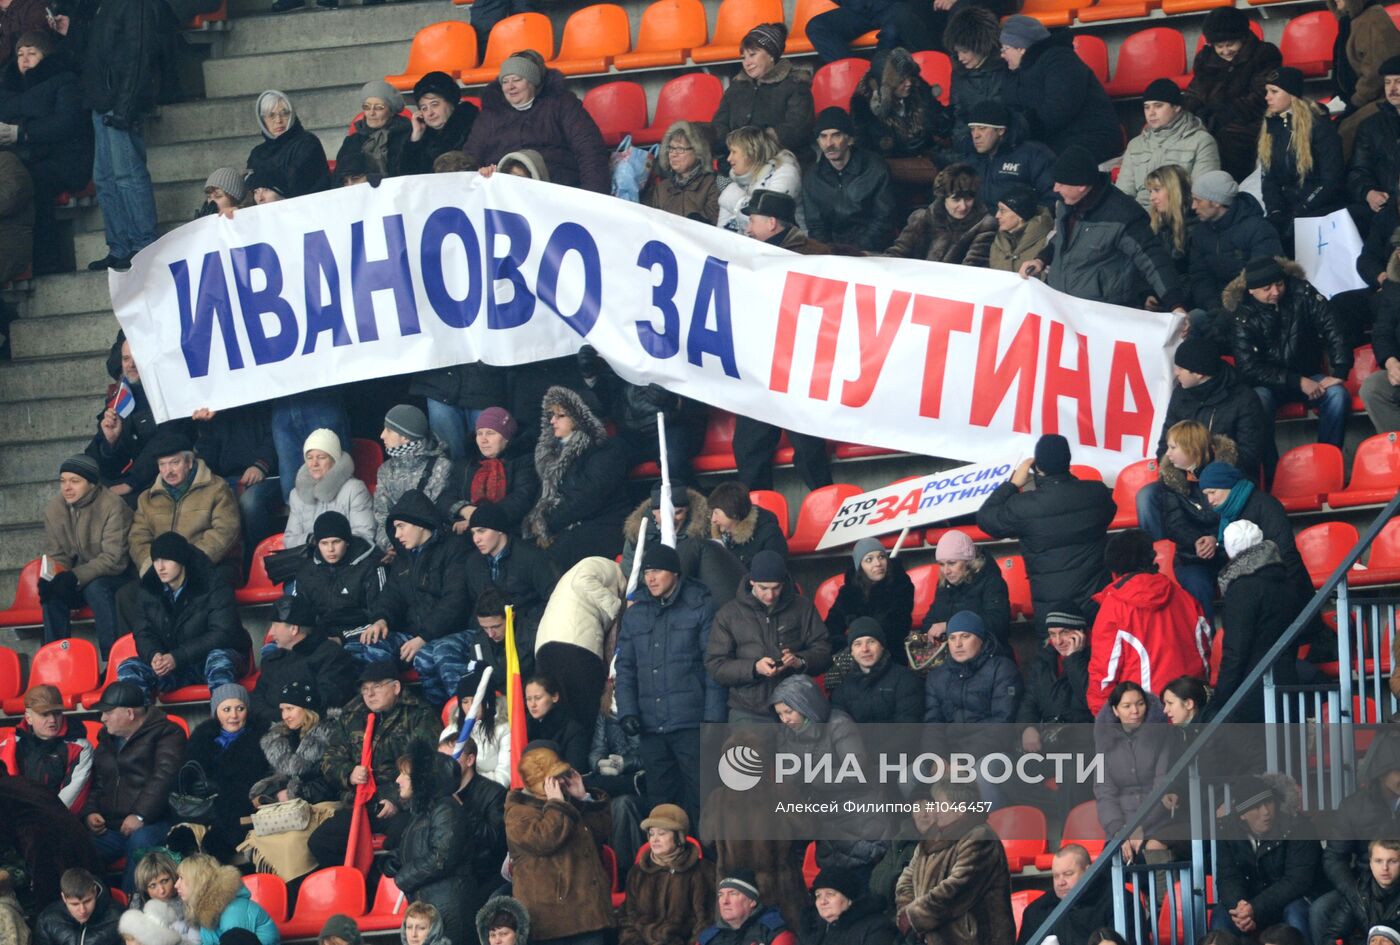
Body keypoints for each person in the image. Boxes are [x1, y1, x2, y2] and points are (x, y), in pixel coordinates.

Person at [615, 543, 724, 825]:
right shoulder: (636, 612)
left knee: (702, 797)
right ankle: (666, 864)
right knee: (661, 802)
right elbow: (625, 668)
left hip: (691, 723)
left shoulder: (700, 606)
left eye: (657, 571)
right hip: (650, 727)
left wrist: (713, 719)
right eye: (647, 572)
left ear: (675, 573)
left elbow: (713, 667)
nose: (650, 578)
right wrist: (628, 711)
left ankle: (704, 863)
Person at [976, 434, 1116, 631]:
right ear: (1068, 461)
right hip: (1095, 602)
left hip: (1050, 610)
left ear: (1037, 468)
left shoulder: (1023, 506)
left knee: (1052, 657)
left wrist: (1012, 484)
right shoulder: (1097, 493)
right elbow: (1109, 512)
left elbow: (986, 518)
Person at [307, 661, 440, 869]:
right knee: (321, 841)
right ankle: (360, 891)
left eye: (377, 687)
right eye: (365, 689)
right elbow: (329, 759)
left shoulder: (419, 714)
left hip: (403, 806)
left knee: (402, 838)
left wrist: (396, 799)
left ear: (395, 687)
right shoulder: (351, 714)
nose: (369, 694)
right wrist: (349, 773)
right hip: (359, 803)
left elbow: (424, 764)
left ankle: (388, 889)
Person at [1020, 146, 1187, 311]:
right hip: (1061, 308)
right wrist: (1040, 259)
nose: (1055, 189)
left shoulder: (1123, 214)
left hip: (1102, 315)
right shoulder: (1067, 204)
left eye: (1061, 183)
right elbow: (1062, 240)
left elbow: (1152, 259)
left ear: (1081, 186)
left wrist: (1175, 304)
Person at [352, 490, 473, 707]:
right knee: (373, 645)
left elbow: (455, 602)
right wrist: (381, 619)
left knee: (427, 657)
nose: (396, 535)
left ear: (420, 524)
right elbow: (392, 594)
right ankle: (390, 711)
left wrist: (424, 637)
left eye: (401, 527)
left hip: (446, 633)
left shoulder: (455, 548)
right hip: (414, 634)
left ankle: (443, 715)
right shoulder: (405, 557)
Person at [1225, 255, 1353, 449]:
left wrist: (1341, 370)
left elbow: (1333, 325)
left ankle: (1328, 458)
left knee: (1337, 395)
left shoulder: (1303, 292)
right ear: (1251, 290)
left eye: (1279, 284)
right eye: (1266, 289)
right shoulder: (1242, 316)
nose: (1275, 292)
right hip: (1269, 386)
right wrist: (1297, 381)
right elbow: (1249, 369)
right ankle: (1270, 472)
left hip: (1310, 374)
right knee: (1258, 401)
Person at [1086, 530, 1211, 715]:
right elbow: (1204, 650)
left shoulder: (1113, 608)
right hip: (1190, 711)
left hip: (1145, 718)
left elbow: (1104, 674)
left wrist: (1104, 719)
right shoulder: (1183, 596)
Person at [0, 31, 92, 276]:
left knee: (30, 184)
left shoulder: (65, 82)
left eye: (32, 52)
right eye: (20, 54)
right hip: (24, 158)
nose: (25, 58)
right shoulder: (8, 86)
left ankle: (46, 261)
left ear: (46, 56)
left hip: (65, 160)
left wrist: (22, 133)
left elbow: (67, 123)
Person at [505, 742, 615, 945]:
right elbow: (545, 841)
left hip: (589, 915)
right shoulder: (518, 812)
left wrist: (583, 797)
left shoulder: (568, 803)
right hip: (552, 924)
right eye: (555, 777)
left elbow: (601, 833)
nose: (561, 781)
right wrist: (556, 805)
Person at [77, 0, 159, 272]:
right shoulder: (98, 6)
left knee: (127, 175)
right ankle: (120, 246)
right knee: (105, 179)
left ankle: (143, 244)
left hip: (120, 101)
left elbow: (138, 55)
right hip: (100, 100)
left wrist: (125, 106)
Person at [707, 550, 833, 722]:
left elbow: (824, 650)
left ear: (784, 582)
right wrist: (754, 668)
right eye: (763, 588)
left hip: (796, 709)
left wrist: (800, 660)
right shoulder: (728, 615)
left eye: (776, 588)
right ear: (752, 582)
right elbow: (716, 666)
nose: (770, 595)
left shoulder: (803, 607)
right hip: (748, 711)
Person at [118, 533, 248, 699]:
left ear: (182, 560)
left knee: (218, 660)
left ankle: (225, 722)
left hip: (209, 659)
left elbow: (223, 634)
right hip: (173, 666)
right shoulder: (148, 588)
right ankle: (143, 724)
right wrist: (154, 655)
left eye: (167, 560)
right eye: (156, 560)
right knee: (129, 668)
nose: (160, 567)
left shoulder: (214, 583)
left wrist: (177, 657)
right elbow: (143, 633)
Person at [82, 681, 185, 891]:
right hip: (112, 827)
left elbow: (164, 777)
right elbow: (98, 780)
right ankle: (98, 905)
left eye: (108, 712)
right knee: (78, 845)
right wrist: (91, 811)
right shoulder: (107, 739)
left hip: (155, 822)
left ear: (129, 713)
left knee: (141, 841)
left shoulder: (168, 733)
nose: (102, 718)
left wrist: (140, 815)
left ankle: (131, 906)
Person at [462, 53, 609, 193]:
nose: (510, 86)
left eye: (517, 79)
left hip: (555, 185)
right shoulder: (490, 114)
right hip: (501, 192)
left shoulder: (561, 104)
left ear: (533, 82)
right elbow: (471, 157)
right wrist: (482, 173)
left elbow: (589, 150)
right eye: (505, 81)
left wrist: (593, 198)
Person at [894, 780, 1014, 945]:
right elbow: (907, 878)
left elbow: (958, 889)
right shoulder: (931, 838)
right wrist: (906, 909)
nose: (936, 810)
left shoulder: (980, 837)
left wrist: (914, 915)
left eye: (941, 805)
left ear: (961, 808)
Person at [522, 386, 629, 569]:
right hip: (566, 525)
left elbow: (589, 495)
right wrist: (536, 522)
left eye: (561, 416)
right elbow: (543, 497)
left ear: (581, 418)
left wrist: (548, 522)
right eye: (551, 416)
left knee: (548, 559)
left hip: (602, 525)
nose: (553, 421)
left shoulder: (607, 449)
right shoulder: (553, 454)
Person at [39, 454, 132, 657]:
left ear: (91, 483)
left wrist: (74, 576)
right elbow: (57, 554)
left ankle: (113, 660)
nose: (67, 488)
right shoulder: (54, 509)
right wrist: (56, 576)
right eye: (62, 481)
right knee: (51, 591)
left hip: (118, 576)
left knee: (96, 588)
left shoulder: (113, 505)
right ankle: (55, 659)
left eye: (75, 481)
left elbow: (114, 559)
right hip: (81, 575)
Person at [382, 743, 476, 945]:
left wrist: (403, 877)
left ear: (422, 779)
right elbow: (419, 847)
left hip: (448, 907)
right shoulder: (423, 812)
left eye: (403, 775)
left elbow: (441, 858)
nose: (397, 780)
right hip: (432, 904)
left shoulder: (445, 809)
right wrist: (395, 860)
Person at [86, 334, 194, 505]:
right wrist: (109, 443)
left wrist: (131, 482)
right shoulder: (120, 399)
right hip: (124, 484)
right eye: (126, 359)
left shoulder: (171, 396)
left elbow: (167, 441)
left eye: (138, 357)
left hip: (159, 483)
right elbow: (97, 461)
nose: (132, 364)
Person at [1212, 520, 1302, 723]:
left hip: (1251, 690)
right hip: (1286, 679)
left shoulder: (1242, 589)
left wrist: (1221, 698)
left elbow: (1236, 650)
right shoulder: (1285, 581)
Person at [999, 16, 1121, 163]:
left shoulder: (1061, 60)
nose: (1002, 55)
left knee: (1032, 161)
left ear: (1021, 48)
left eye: (1006, 48)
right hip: (1050, 138)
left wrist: (1020, 128)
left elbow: (1059, 109)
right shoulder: (1014, 71)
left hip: (1089, 136)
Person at [1213, 777, 1323, 940]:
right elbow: (1228, 877)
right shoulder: (1228, 831)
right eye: (1256, 807)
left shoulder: (1298, 827)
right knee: (1222, 916)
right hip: (1250, 905)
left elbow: (1298, 881)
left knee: (1296, 913)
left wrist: (1254, 908)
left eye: (1269, 803)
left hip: (1290, 900)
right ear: (1242, 815)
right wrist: (1239, 910)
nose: (1265, 811)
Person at [1184, 7, 1284, 181]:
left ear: (1243, 38)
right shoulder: (1205, 60)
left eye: (1230, 44)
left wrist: (1224, 110)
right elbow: (1194, 93)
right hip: (1212, 123)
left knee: (1230, 143)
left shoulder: (1263, 54)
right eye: (1219, 46)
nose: (1225, 51)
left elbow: (1261, 96)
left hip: (1249, 123)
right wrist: (1195, 113)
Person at [1318, 739, 1400, 943]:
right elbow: (1334, 858)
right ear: (1381, 774)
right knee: (1320, 910)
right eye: (1398, 771)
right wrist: (1354, 892)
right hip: (1362, 884)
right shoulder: (1353, 807)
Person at [127, 436, 242, 581]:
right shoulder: (146, 498)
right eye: (162, 465)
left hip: (209, 564)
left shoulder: (217, 488)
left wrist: (187, 562)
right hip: (161, 569)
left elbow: (225, 531)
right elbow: (138, 539)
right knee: (129, 595)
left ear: (189, 463)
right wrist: (153, 565)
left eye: (174, 463)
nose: (168, 471)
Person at [533, 555, 624, 732]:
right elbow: (583, 580)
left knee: (558, 719)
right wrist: (616, 607)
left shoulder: (571, 572)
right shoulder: (606, 566)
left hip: (545, 646)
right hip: (576, 645)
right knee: (585, 719)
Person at [1259, 68, 1346, 248]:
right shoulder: (1272, 126)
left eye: (1274, 92)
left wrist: (1302, 209)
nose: (1267, 97)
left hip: (1318, 206)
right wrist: (1275, 210)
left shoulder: (1320, 128)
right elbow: (1269, 178)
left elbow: (1331, 180)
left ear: (1292, 95)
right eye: (1267, 91)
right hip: (1287, 206)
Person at [189, 404, 280, 574]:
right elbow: (208, 449)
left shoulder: (261, 398)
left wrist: (261, 465)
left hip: (268, 475)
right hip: (226, 478)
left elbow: (275, 434)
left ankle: (259, 565)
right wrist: (204, 423)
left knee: (250, 503)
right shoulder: (213, 405)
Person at [183, 685, 269, 861]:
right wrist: (195, 786)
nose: (234, 716)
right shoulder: (202, 737)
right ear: (216, 712)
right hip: (203, 810)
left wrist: (219, 787)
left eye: (240, 708)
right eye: (226, 709)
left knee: (215, 842)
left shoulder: (261, 738)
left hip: (243, 808)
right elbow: (187, 774)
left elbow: (256, 781)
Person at [1187, 170, 1285, 322]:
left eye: (1198, 200)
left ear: (1216, 202)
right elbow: (1199, 276)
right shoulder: (1200, 233)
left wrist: (1232, 309)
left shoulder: (1258, 229)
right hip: (1213, 308)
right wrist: (1213, 306)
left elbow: (1262, 276)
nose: (1193, 206)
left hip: (1253, 310)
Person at [1092, 681, 1174, 859]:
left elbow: (1162, 786)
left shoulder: (1162, 735)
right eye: (1126, 706)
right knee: (1109, 867)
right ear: (1115, 710)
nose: (1135, 711)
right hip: (1119, 827)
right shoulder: (1103, 741)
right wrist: (1117, 830)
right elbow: (1104, 792)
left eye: (1140, 704)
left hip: (1156, 823)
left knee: (1149, 858)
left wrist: (1140, 827)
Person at [249, 593, 357, 725]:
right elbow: (256, 699)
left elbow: (329, 701)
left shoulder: (331, 655)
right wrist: (281, 717)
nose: (271, 633)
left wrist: (287, 717)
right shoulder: (272, 659)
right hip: (271, 730)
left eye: (275, 625)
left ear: (294, 629)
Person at [711, 24, 813, 160]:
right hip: (736, 165)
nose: (747, 63)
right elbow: (719, 124)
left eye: (752, 55)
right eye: (744, 57)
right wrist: (734, 148)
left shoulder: (795, 85)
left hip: (779, 163)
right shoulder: (736, 87)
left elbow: (797, 129)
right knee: (720, 181)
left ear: (771, 55)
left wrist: (752, 145)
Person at [1117, 79, 1223, 210]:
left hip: (1180, 217)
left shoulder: (1202, 141)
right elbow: (1122, 195)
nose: (1151, 113)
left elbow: (1202, 196)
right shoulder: (1135, 145)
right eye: (1147, 107)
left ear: (1176, 107)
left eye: (1158, 105)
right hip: (1138, 218)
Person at [803, 106, 895, 252]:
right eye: (823, 136)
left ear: (850, 139)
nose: (829, 143)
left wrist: (854, 251)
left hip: (871, 251)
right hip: (831, 254)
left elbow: (883, 220)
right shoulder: (813, 176)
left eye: (836, 135)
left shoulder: (875, 168)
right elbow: (815, 225)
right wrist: (826, 252)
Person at [620, 804, 716, 945]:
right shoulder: (638, 872)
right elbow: (627, 918)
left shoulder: (702, 871)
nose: (655, 839)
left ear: (679, 837)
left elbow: (705, 921)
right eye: (651, 833)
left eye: (662, 833)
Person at [464, 500, 557, 644]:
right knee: (438, 651)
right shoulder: (473, 562)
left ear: (499, 529)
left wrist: (521, 623)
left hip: (527, 634)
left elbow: (555, 597)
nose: (476, 539)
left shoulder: (532, 558)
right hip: (487, 634)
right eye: (473, 533)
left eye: (482, 531)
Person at [921, 610, 1021, 741]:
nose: (958, 644)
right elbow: (932, 725)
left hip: (990, 752)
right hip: (947, 756)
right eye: (952, 637)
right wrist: (937, 758)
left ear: (980, 639)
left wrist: (963, 760)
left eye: (965, 636)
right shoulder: (937, 677)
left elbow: (1002, 723)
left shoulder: (1002, 669)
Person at [288, 510, 385, 641]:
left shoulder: (371, 567)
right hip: (320, 638)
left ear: (347, 541)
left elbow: (381, 615)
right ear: (317, 544)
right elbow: (298, 615)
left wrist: (342, 638)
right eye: (324, 543)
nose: (330, 549)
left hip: (361, 638)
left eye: (336, 542)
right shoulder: (306, 570)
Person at [442, 408, 539, 533]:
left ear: (507, 437)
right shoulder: (467, 463)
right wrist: (464, 510)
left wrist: (480, 519)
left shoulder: (523, 462)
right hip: (464, 531)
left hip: (505, 531)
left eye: (490, 433)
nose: (483, 440)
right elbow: (445, 498)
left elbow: (521, 499)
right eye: (479, 433)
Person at [373, 406, 454, 554]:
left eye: (389, 430)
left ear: (405, 436)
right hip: (397, 548)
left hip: (432, 549)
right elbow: (382, 515)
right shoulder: (385, 470)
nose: (382, 435)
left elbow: (431, 513)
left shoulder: (441, 466)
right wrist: (389, 544)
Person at [0, 685, 93, 810]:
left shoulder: (80, 747)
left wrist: (42, 820)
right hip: (18, 819)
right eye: (45, 714)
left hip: (59, 821)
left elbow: (72, 797)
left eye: (57, 713)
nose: (52, 720)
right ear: (28, 718)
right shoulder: (9, 745)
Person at [883, 163, 996, 265]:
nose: (963, 206)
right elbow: (897, 255)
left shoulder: (985, 224)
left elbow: (973, 266)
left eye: (968, 199)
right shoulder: (921, 218)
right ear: (943, 198)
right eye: (956, 200)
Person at [1017, 606, 1094, 754]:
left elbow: (1090, 698)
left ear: (1080, 633)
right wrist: (1027, 727)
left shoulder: (1095, 657)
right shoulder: (1043, 660)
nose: (1058, 641)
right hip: (1048, 739)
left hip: (1084, 743)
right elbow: (1029, 700)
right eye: (1052, 634)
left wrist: (1073, 659)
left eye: (1064, 632)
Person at [920, 529, 1011, 651]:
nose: (946, 571)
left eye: (952, 563)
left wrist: (949, 627)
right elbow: (930, 620)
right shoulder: (944, 584)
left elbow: (998, 623)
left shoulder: (991, 582)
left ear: (968, 562)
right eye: (941, 564)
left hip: (989, 654)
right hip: (951, 656)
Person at [849, 47, 945, 162]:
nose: (909, 83)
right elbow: (865, 150)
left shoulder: (919, 88)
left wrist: (931, 133)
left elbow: (937, 119)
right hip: (889, 167)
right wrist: (901, 148)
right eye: (901, 80)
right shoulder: (862, 105)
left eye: (909, 77)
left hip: (927, 158)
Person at [282, 429, 373, 549]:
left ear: (334, 460)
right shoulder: (297, 494)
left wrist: (332, 548)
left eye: (321, 457)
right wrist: (312, 539)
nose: (314, 463)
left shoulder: (354, 489)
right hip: (309, 563)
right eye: (309, 457)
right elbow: (289, 540)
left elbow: (364, 536)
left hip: (346, 563)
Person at [824, 539, 915, 658]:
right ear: (860, 566)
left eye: (881, 557)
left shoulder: (900, 585)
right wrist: (850, 645)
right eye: (869, 559)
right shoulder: (849, 592)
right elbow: (832, 626)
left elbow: (895, 628)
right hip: (856, 656)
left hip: (890, 654)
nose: (878, 563)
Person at [957, 101, 1054, 211]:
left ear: (1000, 130)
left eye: (982, 128)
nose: (976, 135)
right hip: (978, 224)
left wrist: (1026, 221)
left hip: (1021, 226)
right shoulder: (970, 158)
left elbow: (1053, 198)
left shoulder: (1033, 155)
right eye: (972, 129)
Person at [1015, 845, 1121, 945]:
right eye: (1056, 876)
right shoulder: (1036, 911)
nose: (1060, 883)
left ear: (1088, 872)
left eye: (1068, 874)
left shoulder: (1117, 902)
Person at [1332, 0, 1400, 149]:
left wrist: (1355, 102)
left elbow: (1376, 75)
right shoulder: (1350, 21)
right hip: (1361, 99)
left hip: (1384, 98)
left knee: (1344, 134)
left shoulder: (1373, 20)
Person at [829, 617, 923, 723]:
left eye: (871, 642)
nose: (865, 649)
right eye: (858, 644)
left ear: (882, 646)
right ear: (852, 652)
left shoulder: (906, 680)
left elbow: (908, 728)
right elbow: (840, 731)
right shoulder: (842, 690)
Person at [175, 854, 278, 945]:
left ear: (198, 881)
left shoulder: (234, 910)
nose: (176, 885)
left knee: (233, 937)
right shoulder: (206, 913)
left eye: (181, 878)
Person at [718, 126, 804, 235]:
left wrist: (736, 200)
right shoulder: (735, 183)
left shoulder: (785, 173)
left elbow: (769, 224)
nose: (729, 159)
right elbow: (723, 233)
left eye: (734, 152)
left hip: (790, 246)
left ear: (751, 152)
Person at [245, 90, 330, 199]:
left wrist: (260, 178)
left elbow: (295, 182)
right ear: (263, 120)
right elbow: (248, 190)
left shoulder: (307, 143)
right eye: (271, 115)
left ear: (292, 115)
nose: (278, 120)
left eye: (284, 113)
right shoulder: (257, 153)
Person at [440, 665, 514, 788]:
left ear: (487, 701)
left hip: (491, 793)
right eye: (465, 702)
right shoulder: (450, 731)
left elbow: (504, 777)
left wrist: (468, 781)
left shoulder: (504, 730)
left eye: (475, 701)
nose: (470, 707)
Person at [1348, 56, 1400, 223]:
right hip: (1384, 206)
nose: (1392, 88)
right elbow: (1358, 170)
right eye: (1387, 82)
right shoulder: (1371, 126)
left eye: (1398, 82)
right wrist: (1369, 193)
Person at [1321, 840, 1400, 945]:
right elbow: (1332, 937)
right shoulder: (1359, 890)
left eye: (1392, 861)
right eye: (1378, 861)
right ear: (1370, 863)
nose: (1384, 868)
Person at [643, 121, 722, 223]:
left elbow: (712, 225)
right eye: (671, 148)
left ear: (698, 151)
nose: (673, 154)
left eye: (680, 149)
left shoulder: (713, 184)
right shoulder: (661, 188)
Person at [402, 72, 477, 177]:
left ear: (451, 103)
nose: (430, 113)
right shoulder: (424, 135)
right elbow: (406, 177)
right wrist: (416, 137)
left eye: (435, 104)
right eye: (424, 108)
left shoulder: (474, 126)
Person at [799, 867, 896, 945]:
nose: (822, 901)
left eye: (830, 894)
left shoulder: (876, 928)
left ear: (849, 898)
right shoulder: (813, 929)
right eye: (818, 895)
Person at [334, 81, 410, 179]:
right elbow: (338, 179)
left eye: (379, 108)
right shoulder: (352, 142)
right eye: (367, 107)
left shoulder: (407, 137)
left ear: (391, 111)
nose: (371, 113)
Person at [698, 870, 791, 945]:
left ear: (752, 901)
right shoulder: (708, 938)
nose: (724, 901)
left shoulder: (773, 931)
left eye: (733, 893)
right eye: (721, 895)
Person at [709, 483, 788, 567]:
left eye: (717, 513)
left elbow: (773, 571)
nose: (713, 519)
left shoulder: (770, 534)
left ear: (734, 514)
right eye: (712, 513)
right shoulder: (717, 537)